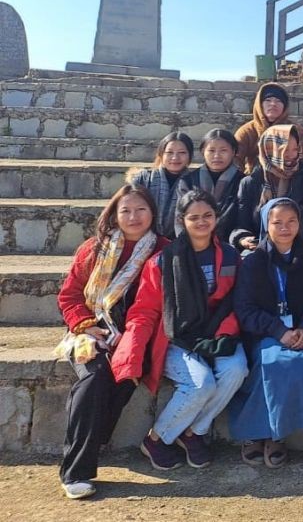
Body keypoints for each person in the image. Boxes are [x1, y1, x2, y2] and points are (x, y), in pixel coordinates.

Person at [111, 190, 247, 471]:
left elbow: (240, 301)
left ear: (216, 217)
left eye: (207, 215)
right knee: (201, 383)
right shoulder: (163, 260)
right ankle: (156, 438)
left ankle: (194, 432)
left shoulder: (232, 257)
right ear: (181, 220)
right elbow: (145, 309)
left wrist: (224, 332)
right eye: (193, 217)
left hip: (219, 334)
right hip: (174, 337)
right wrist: (131, 351)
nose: (201, 222)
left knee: (237, 369)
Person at [54, 185, 169, 500]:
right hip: (90, 331)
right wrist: (86, 325)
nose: (134, 217)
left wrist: (132, 338)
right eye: (126, 210)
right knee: (96, 378)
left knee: (125, 375)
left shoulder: (164, 250)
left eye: (141, 210)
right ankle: (75, 471)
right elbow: (70, 294)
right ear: (115, 214)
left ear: (153, 214)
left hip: (138, 335)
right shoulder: (94, 249)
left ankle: (96, 437)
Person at [229, 198, 303, 468]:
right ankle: (264, 433)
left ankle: (276, 432)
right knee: (274, 363)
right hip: (266, 332)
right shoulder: (253, 262)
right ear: (266, 225)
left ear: (299, 224)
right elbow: (244, 309)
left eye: (291, 221)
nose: (284, 228)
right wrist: (278, 331)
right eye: (276, 222)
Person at [231, 124, 303, 252]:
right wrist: (243, 238)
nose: (291, 155)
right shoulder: (250, 183)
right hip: (260, 248)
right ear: (269, 149)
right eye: (284, 149)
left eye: (294, 149)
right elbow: (242, 223)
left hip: (297, 248)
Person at [174, 129, 244, 241]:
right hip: (193, 244)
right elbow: (180, 217)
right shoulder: (188, 181)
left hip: (231, 244)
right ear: (202, 151)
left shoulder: (243, 182)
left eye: (223, 150)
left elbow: (243, 220)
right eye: (211, 150)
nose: (217, 156)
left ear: (234, 152)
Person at [128, 131, 194, 239]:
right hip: (141, 239)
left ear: (189, 156)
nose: (175, 158)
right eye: (169, 153)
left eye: (182, 153)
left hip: (181, 242)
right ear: (161, 154)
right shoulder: (143, 179)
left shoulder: (195, 182)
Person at [235, 82, 293, 174]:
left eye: (278, 101)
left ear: (285, 106)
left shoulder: (294, 130)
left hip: (286, 178)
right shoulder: (246, 131)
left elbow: (301, 159)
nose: (273, 104)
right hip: (253, 178)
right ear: (260, 104)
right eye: (268, 100)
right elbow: (236, 159)